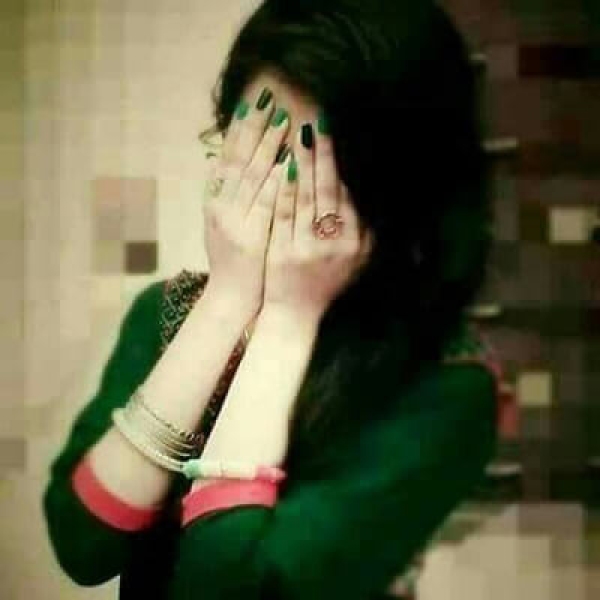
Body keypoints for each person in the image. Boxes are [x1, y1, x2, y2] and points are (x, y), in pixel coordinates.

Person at [42, 1, 500, 598]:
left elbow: (225, 589)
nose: (278, 196)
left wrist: (290, 317)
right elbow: (82, 543)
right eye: (260, 155)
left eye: (317, 169)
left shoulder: (446, 384)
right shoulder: (167, 313)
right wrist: (227, 299)